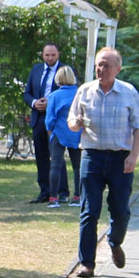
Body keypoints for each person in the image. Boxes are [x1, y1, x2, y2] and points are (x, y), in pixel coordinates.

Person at [67, 48, 139, 278]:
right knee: (88, 211)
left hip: (119, 158)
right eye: (98, 65)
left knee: (120, 210)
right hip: (92, 156)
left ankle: (114, 241)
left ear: (118, 69)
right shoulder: (85, 91)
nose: (101, 70)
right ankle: (87, 264)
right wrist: (77, 122)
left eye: (106, 65)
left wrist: (133, 156)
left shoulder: (128, 92)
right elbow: (72, 122)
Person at [23, 43, 64, 204]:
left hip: (56, 119)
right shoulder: (36, 69)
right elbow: (27, 93)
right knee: (41, 156)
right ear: (43, 55)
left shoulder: (65, 70)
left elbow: (70, 93)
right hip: (39, 117)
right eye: (47, 55)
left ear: (58, 54)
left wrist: (51, 103)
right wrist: (34, 103)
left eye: (53, 55)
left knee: (56, 155)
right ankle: (45, 191)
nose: (50, 58)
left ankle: (61, 191)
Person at [44, 65, 82, 207]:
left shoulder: (54, 96)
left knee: (55, 165)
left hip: (59, 133)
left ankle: (54, 198)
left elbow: (50, 118)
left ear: (58, 79)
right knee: (78, 166)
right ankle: (77, 196)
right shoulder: (80, 93)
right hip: (76, 133)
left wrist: (50, 132)